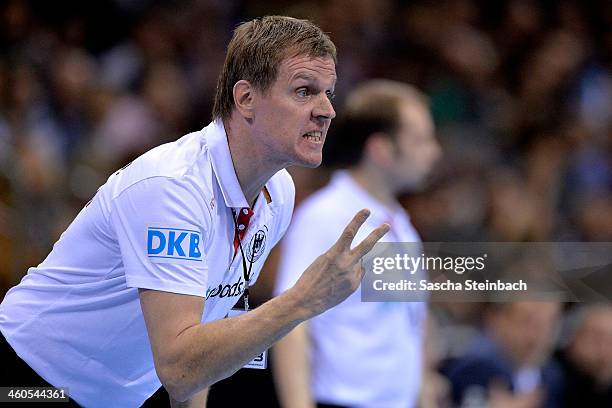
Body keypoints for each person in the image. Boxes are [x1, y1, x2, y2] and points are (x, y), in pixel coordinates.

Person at [0, 16, 390, 407]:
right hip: (31, 382)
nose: (327, 111)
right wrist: (304, 299)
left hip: (116, 396)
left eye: (329, 94)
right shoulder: (173, 188)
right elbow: (179, 365)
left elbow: (209, 332)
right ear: (246, 99)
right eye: (305, 91)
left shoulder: (278, 192)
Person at [272, 79, 442, 408]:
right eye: (421, 140)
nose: (434, 152)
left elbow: (409, 322)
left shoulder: (402, 225)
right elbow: (290, 320)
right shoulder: (326, 215)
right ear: (380, 149)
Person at [442, 301, 564, 408]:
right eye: (527, 321)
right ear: (496, 319)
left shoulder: (553, 376)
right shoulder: (475, 370)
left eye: (549, 323)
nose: (537, 335)